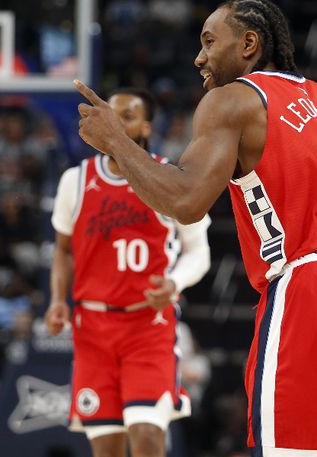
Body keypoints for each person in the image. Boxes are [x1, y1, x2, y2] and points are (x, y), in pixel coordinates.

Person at [74, 1, 317, 455]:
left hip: (312, 288)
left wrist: (115, 140)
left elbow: (186, 201)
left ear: (249, 44)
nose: (199, 58)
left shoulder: (232, 99)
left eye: (210, 42)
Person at [44, 87, 211, 457]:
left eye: (127, 117)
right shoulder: (75, 180)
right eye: (111, 116)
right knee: (106, 449)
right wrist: (57, 300)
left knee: (147, 435)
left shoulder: (170, 177)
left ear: (146, 127)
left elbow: (199, 251)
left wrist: (174, 282)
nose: (115, 124)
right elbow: (63, 250)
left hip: (147, 326)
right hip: (93, 329)